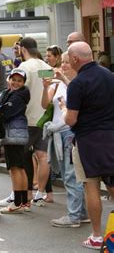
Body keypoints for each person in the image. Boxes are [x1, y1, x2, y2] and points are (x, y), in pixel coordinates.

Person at [64, 42, 114, 249]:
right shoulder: (109, 76)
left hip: (87, 140)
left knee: (91, 186)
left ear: (75, 59)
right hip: (111, 135)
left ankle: (96, 236)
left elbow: (71, 120)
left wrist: (64, 110)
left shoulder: (78, 83)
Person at [41, 51, 88, 227]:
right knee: (71, 173)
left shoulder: (77, 83)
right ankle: (81, 213)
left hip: (69, 131)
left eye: (68, 62)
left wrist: (62, 80)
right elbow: (45, 105)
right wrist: (46, 87)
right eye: (63, 62)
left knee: (70, 175)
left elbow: (79, 102)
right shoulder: (59, 84)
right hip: (58, 131)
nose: (64, 65)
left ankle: (74, 215)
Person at [18, 37, 53, 207]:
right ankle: (41, 192)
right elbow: (50, 88)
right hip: (45, 117)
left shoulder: (24, 67)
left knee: (23, 155)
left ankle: (27, 193)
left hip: (28, 117)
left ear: (23, 49)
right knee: (43, 155)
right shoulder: (46, 67)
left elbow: (20, 91)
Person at [0, 69, 30, 213]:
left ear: (23, 83)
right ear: (9, 79)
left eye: (19, 80)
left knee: (15, 169)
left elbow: (5, 113)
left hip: (14, 135)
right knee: (20, 168)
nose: (15, 82)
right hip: (18, 134)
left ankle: (17, 202)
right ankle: (24, 201)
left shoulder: (17, 97)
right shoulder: (14, 94)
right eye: (13, 79)